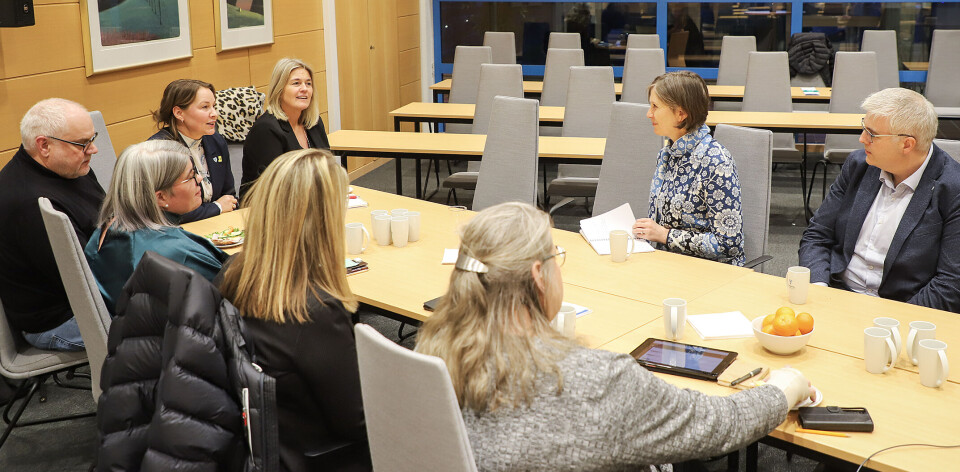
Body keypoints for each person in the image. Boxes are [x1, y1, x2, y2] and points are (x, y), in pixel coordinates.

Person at [416, 202, 812, 471]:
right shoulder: (598, 380)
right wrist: (783, 389)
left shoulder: (433, 350)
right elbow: (718, 423)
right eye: (556, 255)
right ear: (538, 275)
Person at [218, 149, 370, 472]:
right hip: (315, 456)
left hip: (264, 441)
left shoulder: (234, 272)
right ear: (324, 220)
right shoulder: (315, 310)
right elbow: (358, 423)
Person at [799, 88, 960, 312]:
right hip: (834, 295)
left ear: (907, 144)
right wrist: (818, 288)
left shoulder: (953, 189)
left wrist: (890, 323)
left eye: (872, 134)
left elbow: (951, 284)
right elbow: (817, 235)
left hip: (902, 310)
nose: (862, 139)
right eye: (864, 127)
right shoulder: (859, 166)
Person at [0, 98, 105, 351]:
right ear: (44, 145)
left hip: (90, 291)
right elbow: (85, 281)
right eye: (82, 143)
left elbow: (107, 219)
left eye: (93, 138)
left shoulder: (72, 167)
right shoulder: (29, 204)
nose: (93, 150)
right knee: (171, 323)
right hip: (61, 318)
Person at [85, 140, 227, 315]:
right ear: (160, 198)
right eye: (190, 176)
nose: (199, 179)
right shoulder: (179, 256)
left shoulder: (106, 228)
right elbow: (234, 298)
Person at [633, 71, 744, 265]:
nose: (649, 113)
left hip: (707, 272)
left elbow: (729, 244)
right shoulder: (667, 153)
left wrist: (665, 235)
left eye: (655, 106)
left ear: (681, 114)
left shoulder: (716, 162)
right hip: (667, 262)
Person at [150, 78, 237, 223]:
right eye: (205, 107)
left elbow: (230, 197)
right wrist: (216, 207)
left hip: (219, 227)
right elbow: (164, 215)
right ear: (179, 113)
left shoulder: (216, 141)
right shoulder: (160, 151)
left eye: (214, 106)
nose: (214, 114)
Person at [240, 58, 330, 196]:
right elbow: (275, 185)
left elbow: (327, 166)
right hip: (266, 206)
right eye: (296, 83)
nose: (304, 89)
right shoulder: (266, 129)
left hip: (309, 200)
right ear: (280, 89)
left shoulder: (314, 122)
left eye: (308, 84)